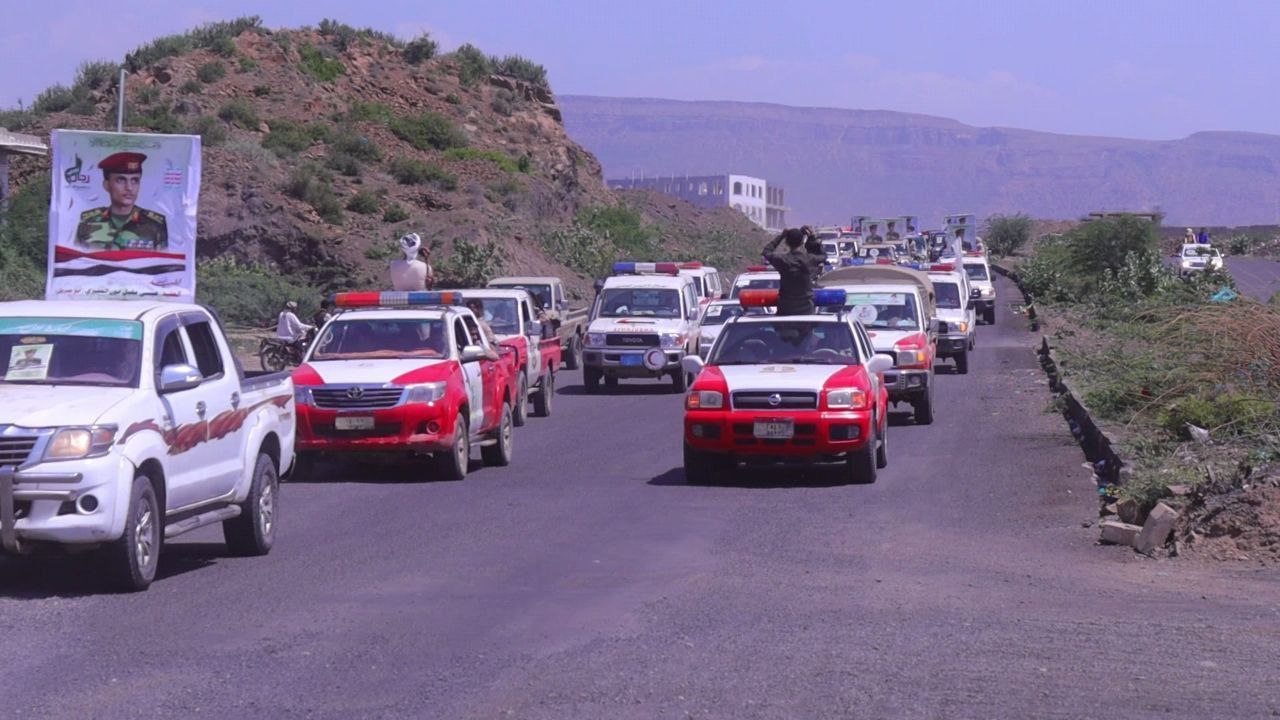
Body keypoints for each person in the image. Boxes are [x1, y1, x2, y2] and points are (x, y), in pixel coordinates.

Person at [75, 152, 168, 250]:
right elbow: (78, 257)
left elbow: (164, 258)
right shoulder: (88, 222)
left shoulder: (155, 225)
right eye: (121, 180)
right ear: (106, 185)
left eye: (135, 180)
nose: (129, 187)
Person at [762, 226, 826, 316]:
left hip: (785, 307)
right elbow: (823, 256)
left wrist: (781, 236)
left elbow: (766, 252)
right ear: (802, 242)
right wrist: (811, 238)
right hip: (806, 307)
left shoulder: (782, 260)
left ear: (787, 242)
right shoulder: (809, 259)